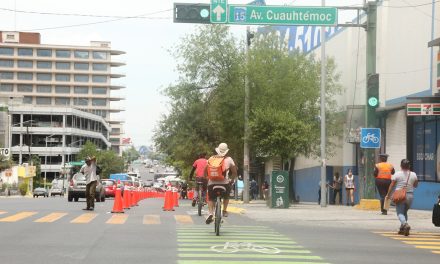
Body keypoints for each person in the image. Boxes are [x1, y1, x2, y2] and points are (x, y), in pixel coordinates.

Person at [204, 143, 237, 224]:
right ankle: (224, 210)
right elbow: (234, 172)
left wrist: (207, 178)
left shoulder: (211, 158)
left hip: (212, 183)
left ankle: (211, 213)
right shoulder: (229, 159)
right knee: (226, 195)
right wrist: (231, 180)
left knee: (211, 198)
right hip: (224, 183)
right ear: (226, 151)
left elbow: (205, 171)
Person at [385, 159, 418, 236]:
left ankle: (405, 224)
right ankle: (402, 229)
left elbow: (392, 185)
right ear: (409, 166)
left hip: (400, 196)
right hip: (410, 196)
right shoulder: (413, 174)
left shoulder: (397, 174)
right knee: (404, 212)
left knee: (400, 213)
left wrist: (388, 195)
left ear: (401, 166)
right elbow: (416, 185)